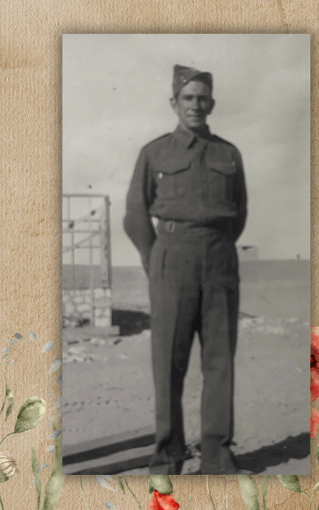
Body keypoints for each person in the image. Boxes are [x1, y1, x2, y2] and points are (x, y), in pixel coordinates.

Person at [124, 64, 248, 475]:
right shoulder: (154, 153)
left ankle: (217, 455)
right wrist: (155, 260)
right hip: (171, 259)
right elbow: (135, 214)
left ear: (212, 104)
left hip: (219, 261)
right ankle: (168, 455)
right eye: (188, 98)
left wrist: (216, 245)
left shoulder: (229, 154)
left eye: (202, 98)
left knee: (219, 363)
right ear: (174, 103)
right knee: (168, 364)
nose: (195, 105)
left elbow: (239, 212)